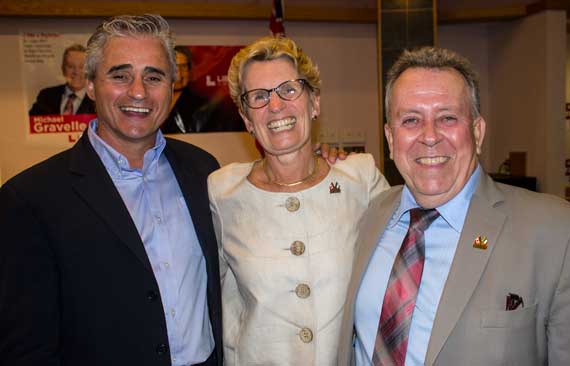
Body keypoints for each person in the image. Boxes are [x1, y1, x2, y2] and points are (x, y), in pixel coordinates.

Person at [338, 46, 570, 366]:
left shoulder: (562, 237)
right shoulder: (370, 215)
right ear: (390, 138)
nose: (429, 136)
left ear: (477, 132)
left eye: (447, 118)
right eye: (411, 120)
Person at [0, 14, 222, 366]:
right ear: (90, 85)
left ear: (172, 86)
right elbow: (27, 347)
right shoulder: (30, 199)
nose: (138, 91)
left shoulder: (204, 170)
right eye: (120, 75)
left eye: (154, 76)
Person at [208, 35, 389, 365]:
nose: (275, 106)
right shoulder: (222, 193)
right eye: (259, 97)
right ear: (247, 119)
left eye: (288, 90)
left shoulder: (359, 180)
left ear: (314, 102)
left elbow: (396, 282)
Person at [29, 43, 96, 116]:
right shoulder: (46, 96)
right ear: (63, 68)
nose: (76, 72)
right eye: (70, 66)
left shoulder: (96, 100)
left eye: (81, 67)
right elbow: (30, 123)